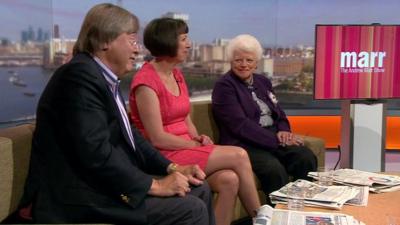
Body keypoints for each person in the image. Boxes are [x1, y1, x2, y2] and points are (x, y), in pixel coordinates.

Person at [17, 4, 215, 225]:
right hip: (78, 196)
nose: (137, 49)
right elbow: (96, 152)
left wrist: (173, 168)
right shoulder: (78, 78)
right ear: (104, 41)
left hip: (103, 183)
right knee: (190, 208)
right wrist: (156, 185)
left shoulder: (103, 79)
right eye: (132, 40)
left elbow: (132, 137)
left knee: (201, 188)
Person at [129, 18, 262, 225]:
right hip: (164, 156)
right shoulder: (145, 82)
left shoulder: (177, 74)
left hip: (185, 147)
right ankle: (261, 219)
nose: (189, 44)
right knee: (239, 155)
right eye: (184, 39)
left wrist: (196, 136)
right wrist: (193, 144)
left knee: (229, 179)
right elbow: (157, 138)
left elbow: (185, 117)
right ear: (167, 41)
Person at [212, 34, 317, 204]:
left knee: (305, 157)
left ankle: (305, 208)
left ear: (256, 62)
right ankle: (277, 217)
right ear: (231, 61)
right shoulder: (224, 86)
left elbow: (278, 113)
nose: (244, 64)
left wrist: (284, 131)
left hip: (272, 137)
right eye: (238, 60)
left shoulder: (263, 81)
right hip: (243, 144)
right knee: (273, 168)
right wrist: (277, 140)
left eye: (249, 60)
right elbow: (240, 126)